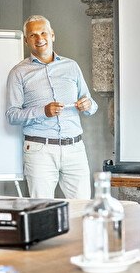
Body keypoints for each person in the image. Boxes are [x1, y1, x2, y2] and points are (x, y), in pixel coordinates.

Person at [6, 15, 98, 199]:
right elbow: (12, 115)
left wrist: (88, 105)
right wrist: (43, 111)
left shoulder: (71, 66)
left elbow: (91, 105)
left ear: (52, 35)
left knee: (82, 209)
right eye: (33, 35)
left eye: (43, 33)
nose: (39, 39)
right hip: (40, 150)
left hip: (75, 148)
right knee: (42, 211)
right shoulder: (18, 72)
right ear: (26, 40)